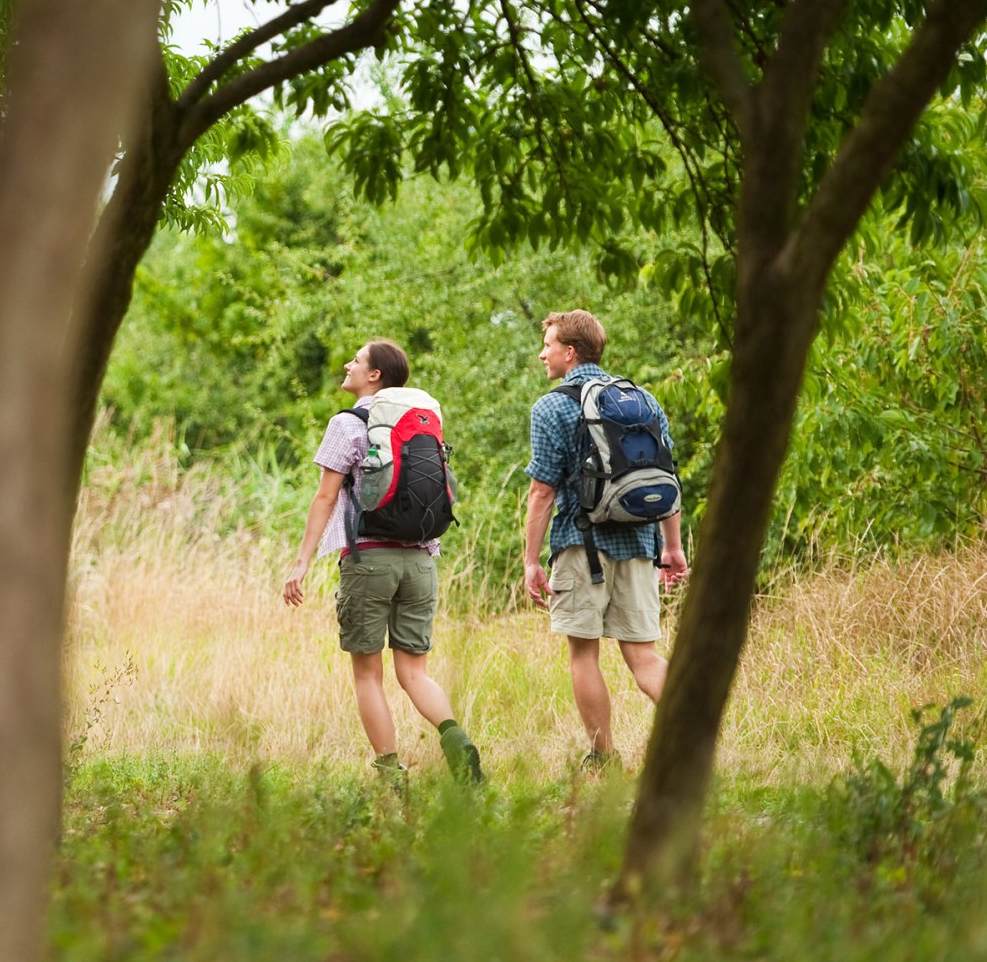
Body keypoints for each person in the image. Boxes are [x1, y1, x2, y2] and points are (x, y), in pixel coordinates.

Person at [282, 338, 484, 786]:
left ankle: (390, 772)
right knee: (414, 671)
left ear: (375, 375)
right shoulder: (423, 422)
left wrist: (301, 562)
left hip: (369, 558)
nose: (348, 364)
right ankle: (456, 741)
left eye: (357, 360)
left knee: (368, 674)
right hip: (421, 561)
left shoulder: (347, 424)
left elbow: (325, 496)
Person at [521, 310, 688, 772]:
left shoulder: (551, 407)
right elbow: (666, 477)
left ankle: (604, 756)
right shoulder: (642, 401)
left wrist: (531, 560)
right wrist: (671, 548)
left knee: (583, 653)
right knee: (644, 656)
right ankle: (695, 740)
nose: (543, 353)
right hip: (639, 544)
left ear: (570, 352)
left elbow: (542, 491)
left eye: (549, 345)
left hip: (581, 544)